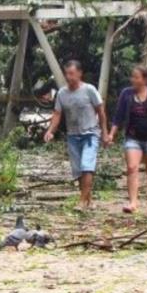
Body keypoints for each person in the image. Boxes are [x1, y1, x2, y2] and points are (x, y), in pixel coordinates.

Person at [106, 65, 147, 215]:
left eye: (136, 77)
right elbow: (118, 116)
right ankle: (133, 202)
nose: (133, 80)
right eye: (132, 77)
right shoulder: (126, 94)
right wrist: (111, 134)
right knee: (131, 168)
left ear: (145, 79)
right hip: (133, 137)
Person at [44, 61, 108, 209]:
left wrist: (104, 132)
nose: (69, 77)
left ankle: (82, 201)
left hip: (90, 133)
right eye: (67, 74)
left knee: (87, 166)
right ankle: (88, 200)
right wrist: (50, 131)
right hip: (73, 135)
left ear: (80, 73)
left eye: (72, 74)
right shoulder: (62, 93)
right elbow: (57, 114)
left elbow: (101, 111)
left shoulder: (89, 90)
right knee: (78, 170)